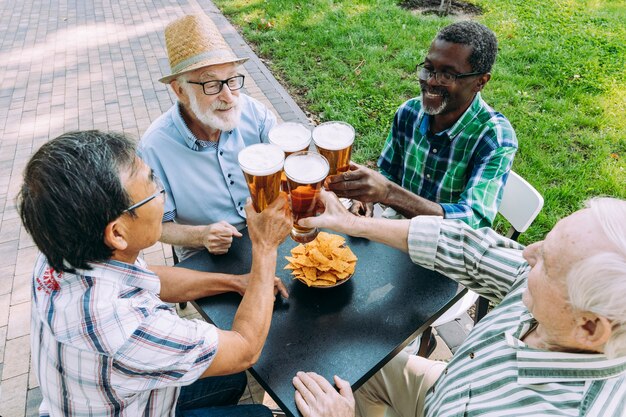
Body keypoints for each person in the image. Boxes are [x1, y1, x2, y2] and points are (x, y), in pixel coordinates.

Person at [18, 130, 292, 417]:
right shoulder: (125, 328)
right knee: (258, 412)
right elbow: (245, 350)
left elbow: (148, 278)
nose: (162, 195)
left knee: (230, 379)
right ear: (117, 233)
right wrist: (265, 247)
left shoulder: (62, 249)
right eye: (152, 184)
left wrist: (235, 282)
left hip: (103, 395)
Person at [291, 190, 626, 417]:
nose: (527, 254)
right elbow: (472, 252)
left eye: (547, 264)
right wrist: (356, 224)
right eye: (544, 242)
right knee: (357, 369)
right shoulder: (564, 307)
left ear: (589, 327)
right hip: (448, 388)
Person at [328, 21, 517, 229]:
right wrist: (366, 196)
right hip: (397, 229)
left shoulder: (494, 137)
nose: (432, 82)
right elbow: (389, 172)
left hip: (449, 249)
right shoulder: (409, 112)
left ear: (480, 82)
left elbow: (473, 221)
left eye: (447, 74)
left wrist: (388, 193)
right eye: (428, 69)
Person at [139, 14, 277, 261]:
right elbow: (156, 227)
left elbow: (290, 164)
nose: (229, 96)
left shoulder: (253, 111)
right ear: (180, 90)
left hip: (267, 231)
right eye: (211, 85)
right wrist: (200, 235)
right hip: (205, 252)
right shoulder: (154, 148)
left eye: (233, 80)